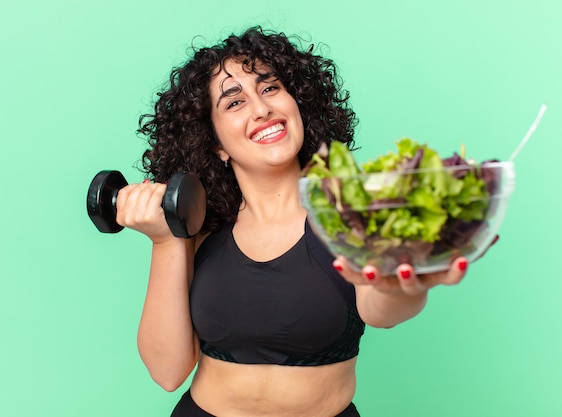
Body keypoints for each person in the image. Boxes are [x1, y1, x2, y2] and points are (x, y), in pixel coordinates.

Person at [115, 26, 469, 417]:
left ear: (298, 102)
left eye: (270, 89)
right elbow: (167, 372)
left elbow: (380, 310)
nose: (261, 109)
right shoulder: (202, 230)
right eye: (234, 103)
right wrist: (165, 243)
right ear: (214, 144)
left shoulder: (352, 215)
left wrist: (405, 285)